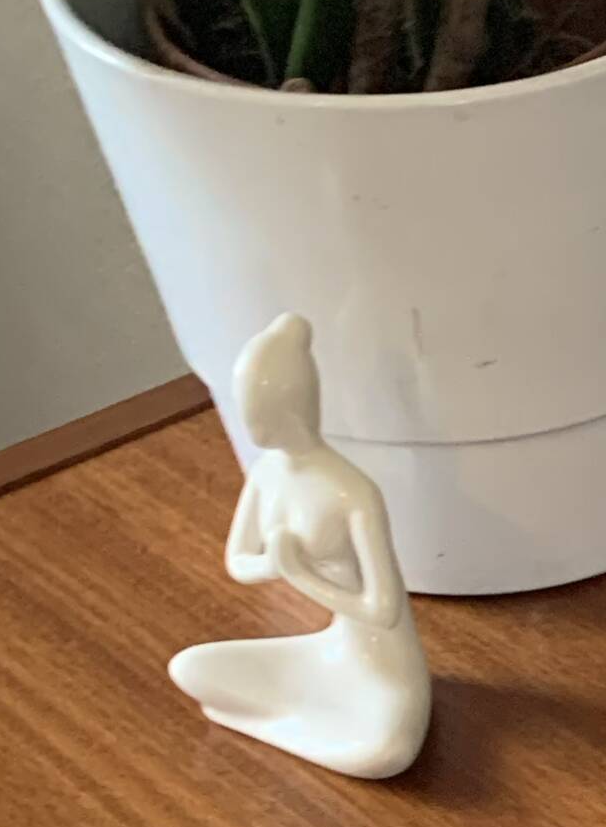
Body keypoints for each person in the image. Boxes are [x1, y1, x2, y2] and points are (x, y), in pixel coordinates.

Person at [169, 314, 431, 780]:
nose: (257, 430)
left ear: (297, 406)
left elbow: (383, 609)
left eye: (264, 414)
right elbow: (238, 562)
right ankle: (284, 718)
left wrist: (301, 573)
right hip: (329, 652)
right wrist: (274, 562)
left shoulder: (352, 493)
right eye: (250, 414)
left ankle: (275, 719)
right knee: (189, 667)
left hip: (384, 668)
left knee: (382, 757)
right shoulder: (267, 474)